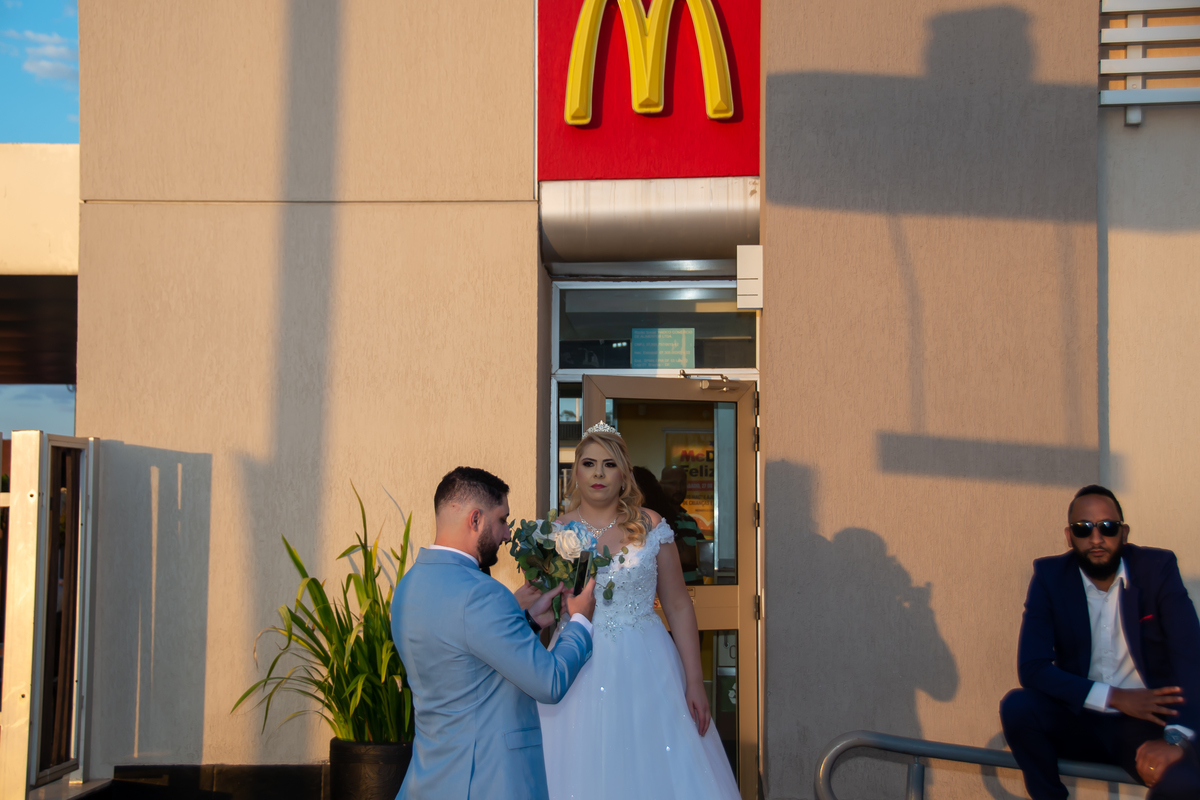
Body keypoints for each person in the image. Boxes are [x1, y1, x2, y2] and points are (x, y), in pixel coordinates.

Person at [535, 422, 740, 800]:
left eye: (609, 464)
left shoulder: (651, 525)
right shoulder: (552, 533)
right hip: (575, 663)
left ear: (624, 473)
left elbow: (678, 605)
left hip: (647, 662)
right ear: (575, 471)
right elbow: (538, 602)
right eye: (589, 464)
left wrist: (695, 680)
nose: (598, 474)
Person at [391, 467, 597, 800]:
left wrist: (527, 622)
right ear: (475, 519)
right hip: (487, 780)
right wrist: (580, 622)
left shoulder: (408, 586)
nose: (506, 534)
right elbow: (550, 681)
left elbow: (463, 659)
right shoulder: (482, 593)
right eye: (502, 519)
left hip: (430, 779)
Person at [1000, 484, 1200, 799]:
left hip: (1146, 723)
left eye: (1107, 527)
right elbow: (1032, 667)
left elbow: (1191, 658)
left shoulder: (1156, 569)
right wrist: (1114, 697)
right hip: (1080, 717)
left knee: (1182, 783)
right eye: (1084, 528)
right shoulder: (1050, 576)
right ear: (1069, 536)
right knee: (1018, 707)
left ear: (1124, 532)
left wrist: (1176, 739)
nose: (1096, 539)